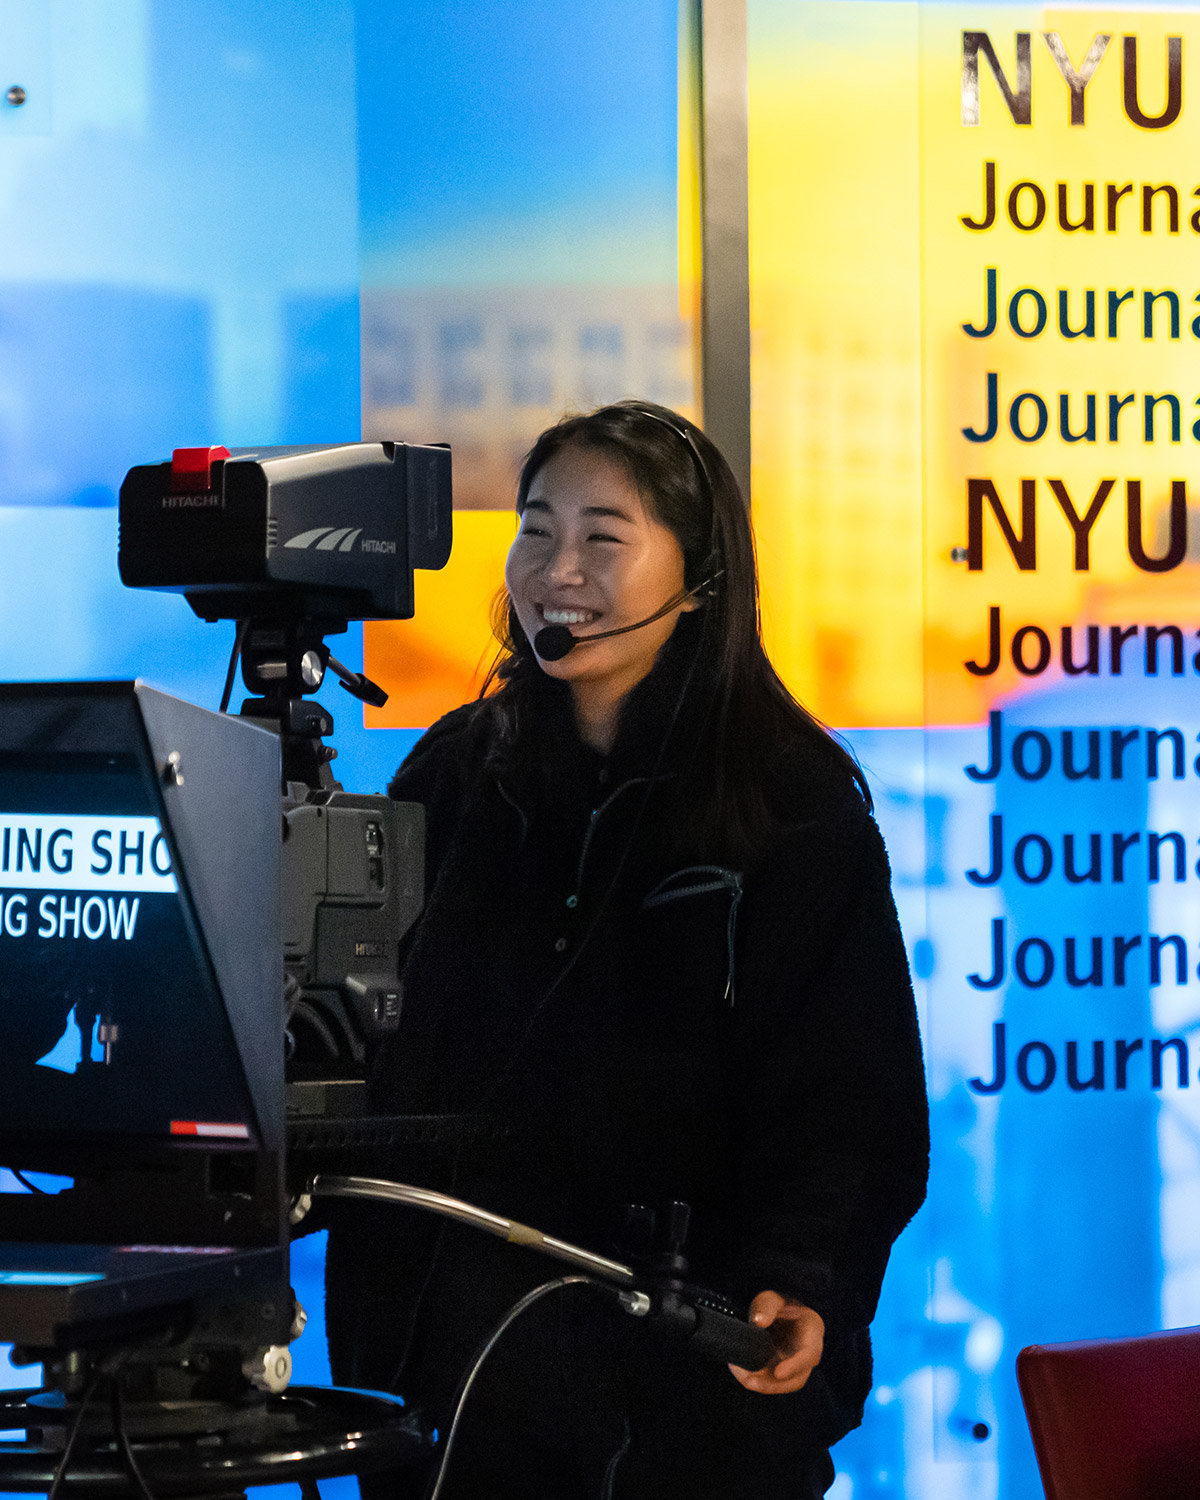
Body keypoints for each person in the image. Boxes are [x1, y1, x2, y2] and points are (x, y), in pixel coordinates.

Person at [324, 401, 929, 1499]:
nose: (558, 569)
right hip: (456, 1367)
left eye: (604, 536)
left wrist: (804, 1281)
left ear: (698, 576)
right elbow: (359, 1018)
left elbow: (849, 1105)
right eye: (537, 528)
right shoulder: (460, 772)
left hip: (686, 1377)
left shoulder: (789, 805)